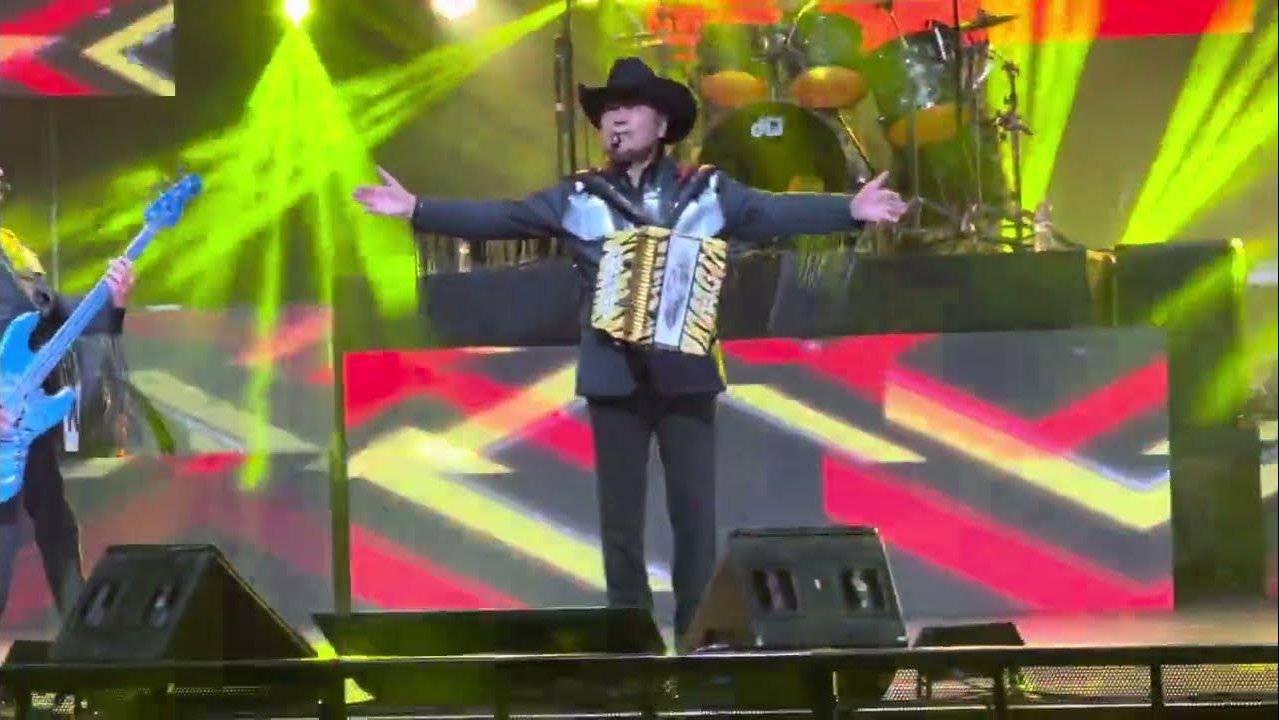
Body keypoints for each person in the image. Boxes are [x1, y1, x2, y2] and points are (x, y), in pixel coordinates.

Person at [353, 57, 908, 639]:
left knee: (694, 517)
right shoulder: (578, 197)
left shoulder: (707, 190)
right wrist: (418, 208)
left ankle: (697, 637)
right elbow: (505, 216)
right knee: (619, 521)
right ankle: (630, 642)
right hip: (612, 374)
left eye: (629, 109)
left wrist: (850, 209)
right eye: (608, 112)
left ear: (662, 124)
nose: (615, 121)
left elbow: (771, 211)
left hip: (687, 371)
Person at [0, 166, 136, 622]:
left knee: (56, 525)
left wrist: (111, 302)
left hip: (20, 417)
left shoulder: (12, 256)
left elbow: (53, 312)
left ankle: (82, 639)